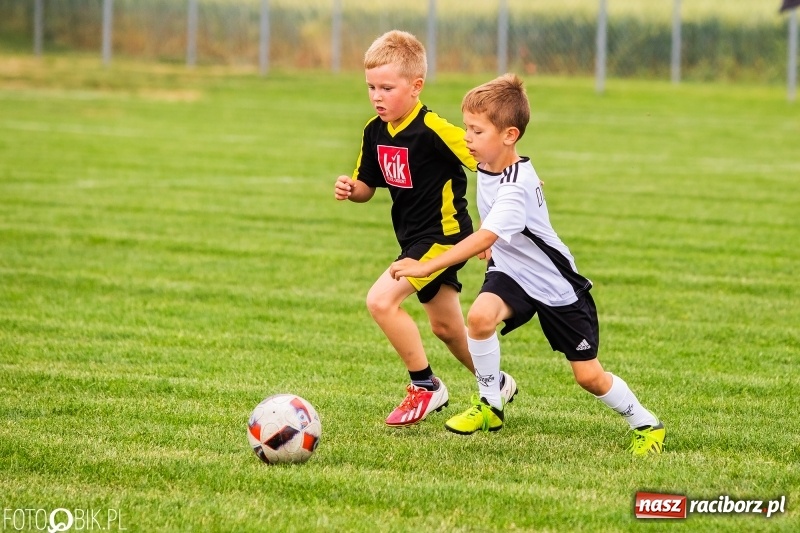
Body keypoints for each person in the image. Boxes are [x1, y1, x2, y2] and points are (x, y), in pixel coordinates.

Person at [389, 73, 665, 455]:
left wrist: (426, 266)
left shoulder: (515, 186)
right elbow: (495, 225)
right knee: (480, 317)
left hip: (555, 285)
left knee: (589, 376)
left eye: (476, 130)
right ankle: (490, 403)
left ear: (509, 135)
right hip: (511, 272)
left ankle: (647, 423)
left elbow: (487, 233)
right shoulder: (488, 163)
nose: (467, 137)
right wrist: (495, 238)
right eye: (467, 127)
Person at [334, 31, 518, 427]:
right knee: (448, 328)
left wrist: (495, 225)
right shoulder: (375, 132)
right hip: (413, 237)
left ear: (416, 87)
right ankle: (496, 383)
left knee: (381, 301)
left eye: (387, 87)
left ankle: (426, 386)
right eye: (370, 87)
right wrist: (353, 190)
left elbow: (490, 160)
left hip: (443, 235)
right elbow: (368, 185)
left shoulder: (434, 129)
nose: (377, 96)